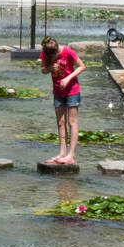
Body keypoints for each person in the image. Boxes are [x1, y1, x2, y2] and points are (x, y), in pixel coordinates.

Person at [39, 36, 86, 164]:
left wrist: (68, 78)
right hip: (58, 91)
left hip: (72, 90)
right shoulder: (45, 52)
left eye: (54, 56)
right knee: (60, 122)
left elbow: (82, 66)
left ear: (57, 50)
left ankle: (71, 155)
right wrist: (49, 69)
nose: (53, 59)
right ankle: (62, 152)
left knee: (72, 122)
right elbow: (43, 70)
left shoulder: (68, 51)